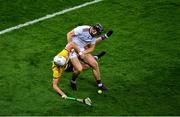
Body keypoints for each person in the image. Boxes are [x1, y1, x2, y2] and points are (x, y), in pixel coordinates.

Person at [67, 23, 113, 91]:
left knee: (94, 64)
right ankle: (73, 81)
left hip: (81, 49)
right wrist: (70, 46)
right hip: (72, 48)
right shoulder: (83, 29)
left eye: (96, 31)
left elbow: (91, 48)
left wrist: (83, 52)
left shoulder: (94, 36)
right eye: (94, 28)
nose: (94, 31)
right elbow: (69, 34)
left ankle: (100, 85)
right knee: (79, 69)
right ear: (93, 27)